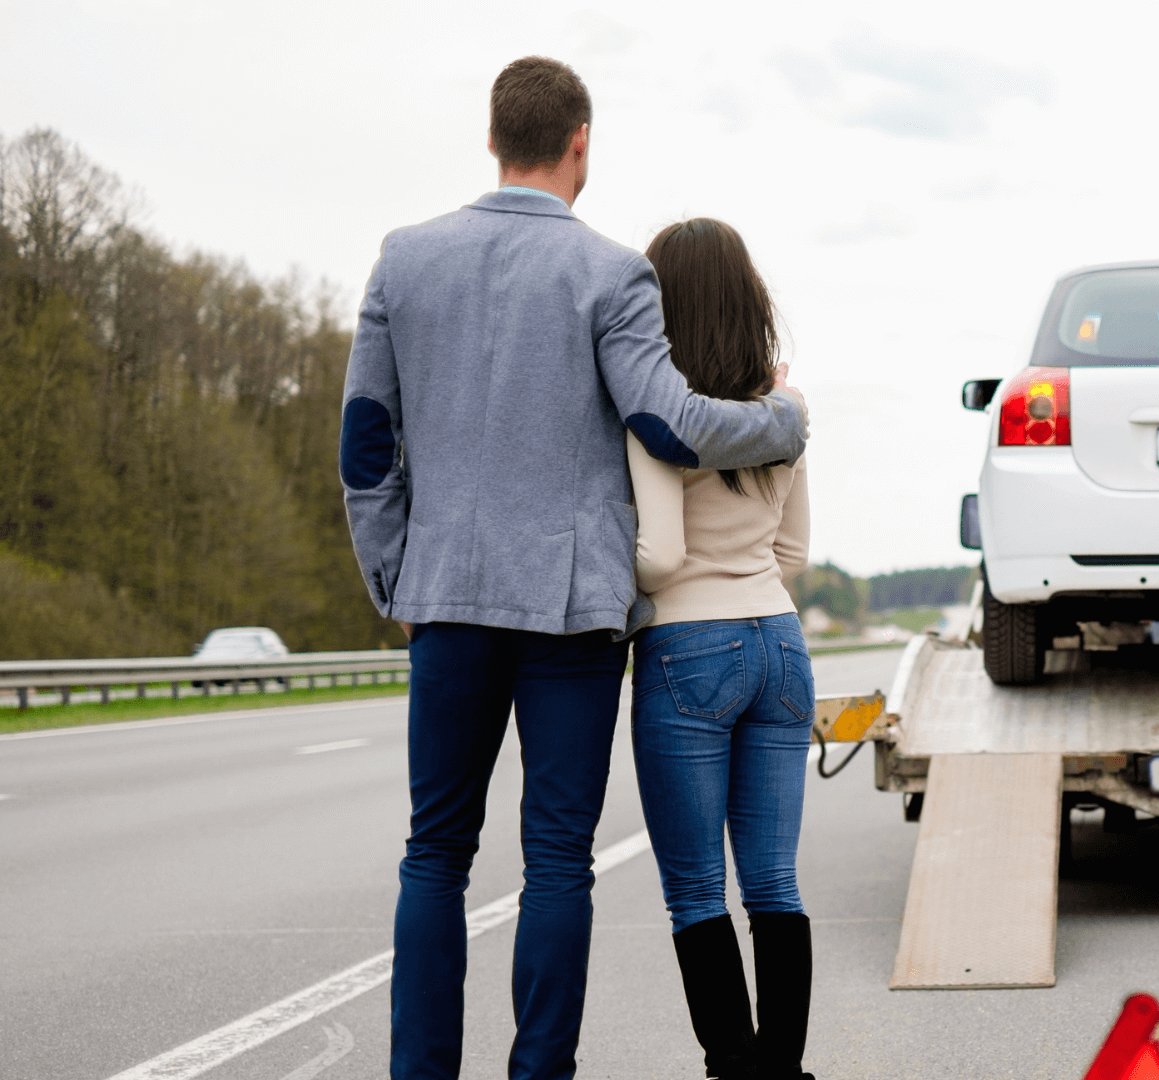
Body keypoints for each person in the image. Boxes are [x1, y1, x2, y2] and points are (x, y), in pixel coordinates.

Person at [338, 59, 809, 1080]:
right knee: (557, 860)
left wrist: (394, 577)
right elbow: (669, 423)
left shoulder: (403, 259)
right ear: (581, 141)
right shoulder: (608, 273)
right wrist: (782, 422)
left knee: (434, 854)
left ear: (494, 137)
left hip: (448, 595)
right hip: (574, 611)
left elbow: (367, 440)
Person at [625, 218, 816, 1080]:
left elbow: (660, 555)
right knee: (774, 883)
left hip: (686, 649)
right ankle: (781, 1072)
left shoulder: (655, 414)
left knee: (697, 891)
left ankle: (736, 1072)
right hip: (780, 642)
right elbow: (794, 557)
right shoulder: (783, 412)